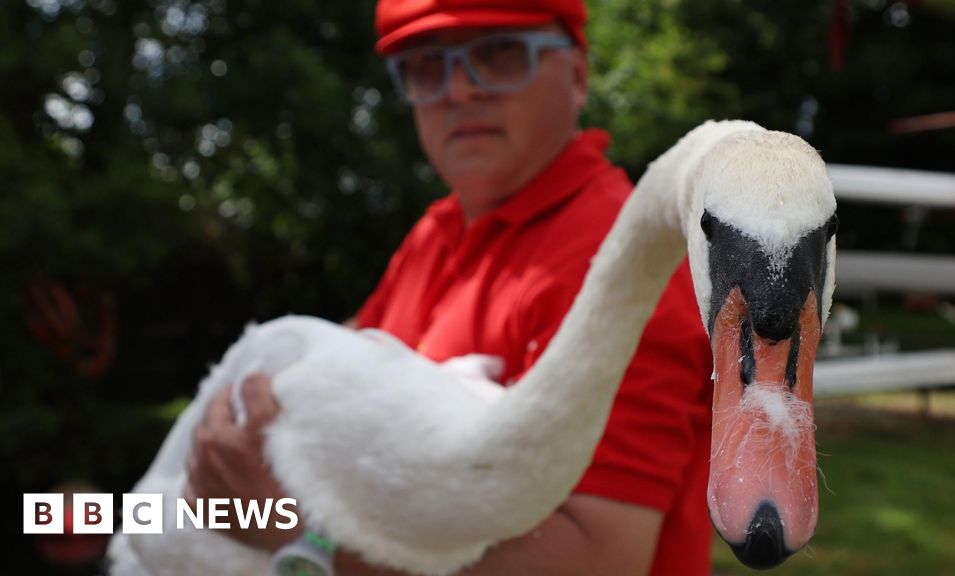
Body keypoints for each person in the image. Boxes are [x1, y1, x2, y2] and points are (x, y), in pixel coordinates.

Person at [184, 1, 715, 574]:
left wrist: (297, 533)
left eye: (501, 53)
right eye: (426, 65)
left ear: (578, 75)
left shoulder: (618, 267)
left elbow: (599, 555)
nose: (459, 90)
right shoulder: (437, 233)